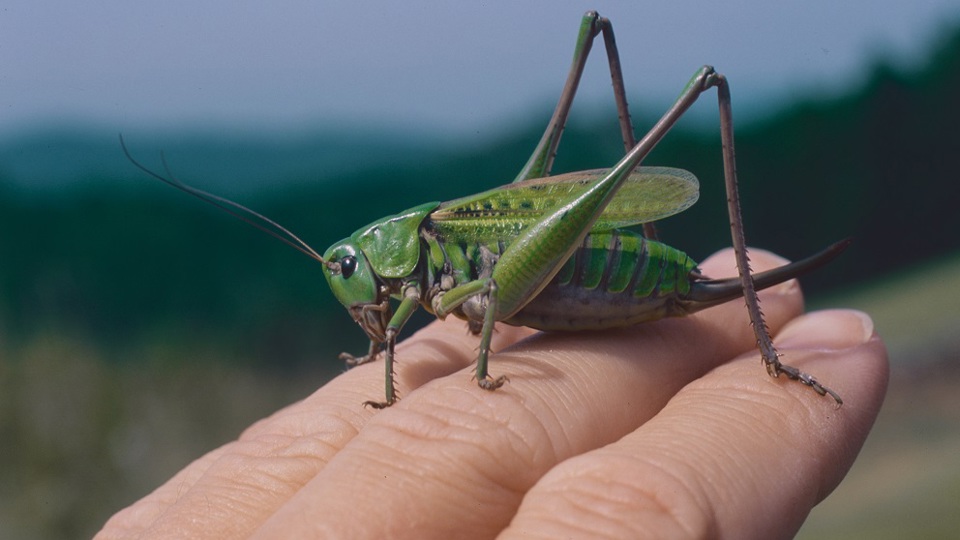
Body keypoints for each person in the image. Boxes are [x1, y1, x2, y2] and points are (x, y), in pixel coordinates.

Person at [96, 249, 888, 539]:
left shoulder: (428, 259)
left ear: (374, 256)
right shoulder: (413, 281)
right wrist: (384, 346)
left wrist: (477, 369)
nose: (353, 282)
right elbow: (419, 306)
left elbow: (465, 295)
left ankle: (773, 357)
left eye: (347, 267)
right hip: (529, 279)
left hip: (579, 268)